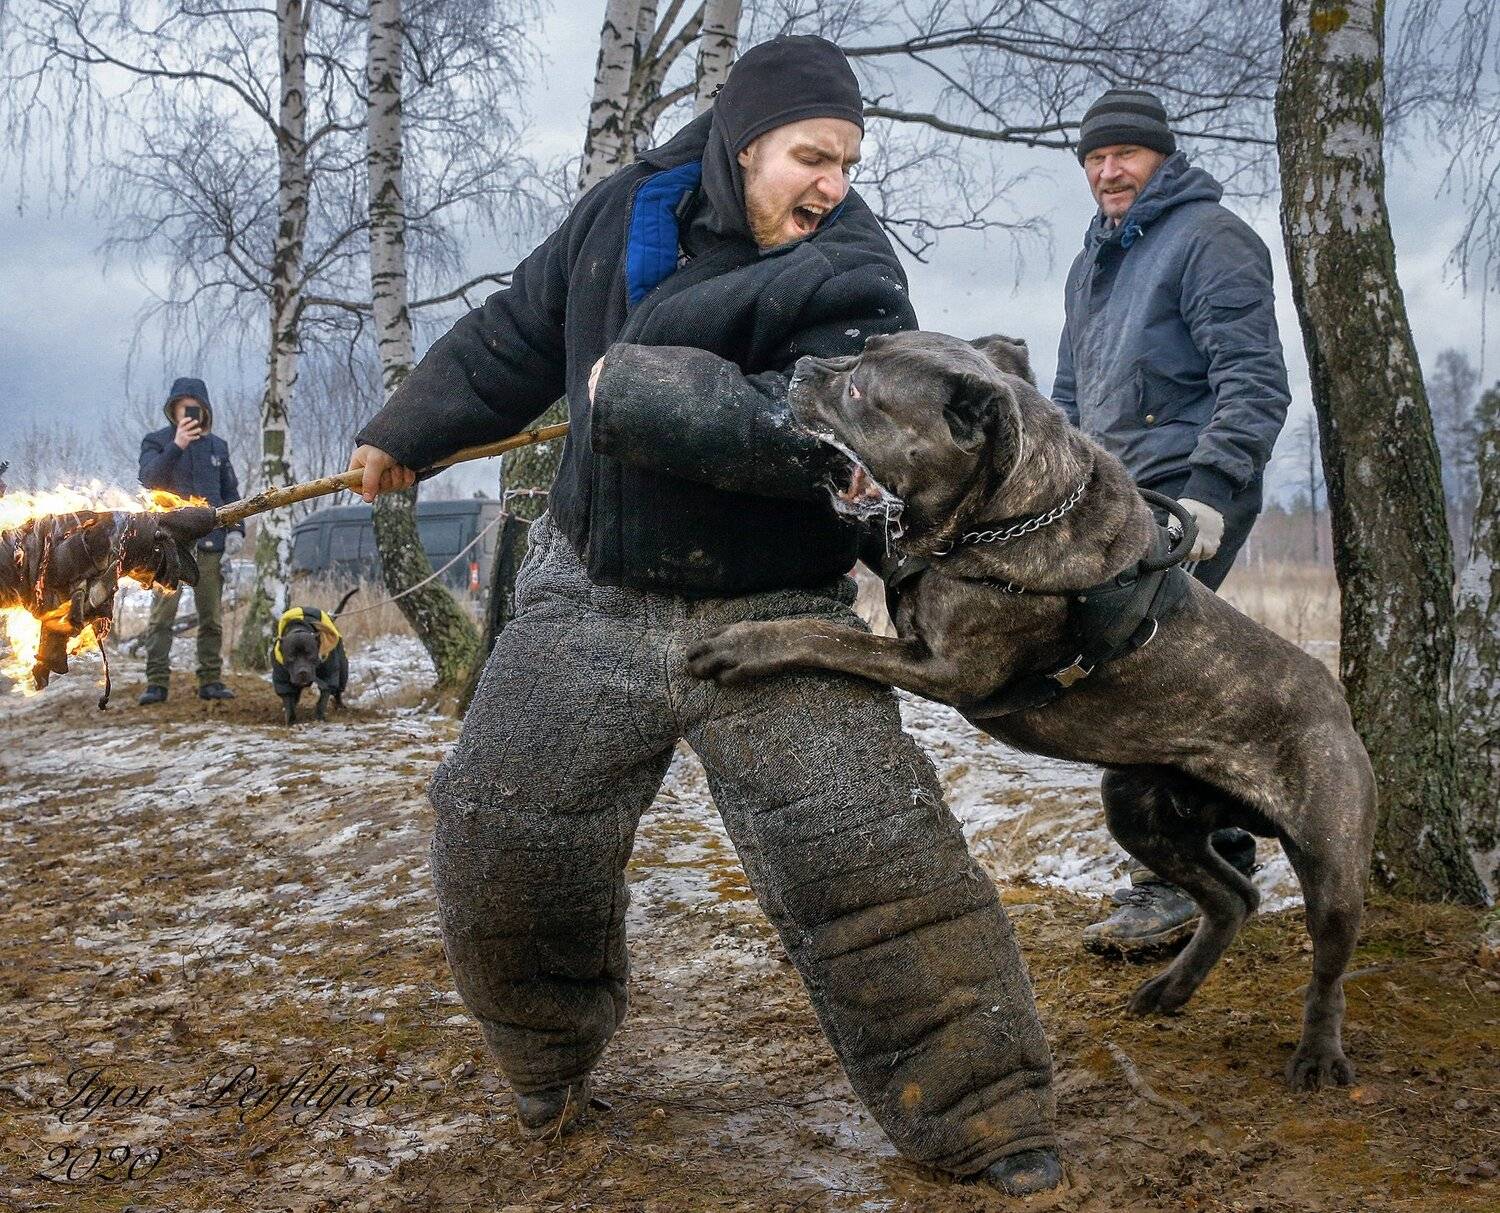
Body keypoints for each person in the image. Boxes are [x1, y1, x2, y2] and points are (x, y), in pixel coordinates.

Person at [349, 36, 1061, 1196]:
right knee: (501, 831)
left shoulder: (855, 273)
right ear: (744, 143)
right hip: (592, 591)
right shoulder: (618, 215)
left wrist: (631, 391)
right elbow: (515, 332)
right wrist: (407, 426)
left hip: (778, 611)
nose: (831, 184)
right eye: (811, 156)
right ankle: (545, 1059)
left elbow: (820, 429)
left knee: (875, 861)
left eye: (846, 161)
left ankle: (989, 1114)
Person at [1052, 88, 1292, 953]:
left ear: (1162, 157)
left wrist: (1212, 496)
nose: (1108, 170)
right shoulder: (1095, 262)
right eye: (1094, 158)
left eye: (1125, 154)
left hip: (1185, 497)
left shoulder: (1211, 238)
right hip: (1113, 503)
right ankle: (1224, 840)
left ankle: (1180, 880)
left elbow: (1253, 378)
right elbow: (1070, 397)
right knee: (1137, 674)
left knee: (1137, 675)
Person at [137, 376, 243, 703]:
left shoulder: (217, 447)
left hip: (211, 542)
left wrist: (236, 530)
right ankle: (156, 684)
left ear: (204, 409)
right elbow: (148, 478)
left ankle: (210, 680)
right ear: (173, 409)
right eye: (182, 406)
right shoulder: (156, 441)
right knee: (161, 616)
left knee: (210, 616)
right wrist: (177, 445)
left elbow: (230, 493)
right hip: (167, 543)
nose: (188, 412)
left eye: (194, 406)